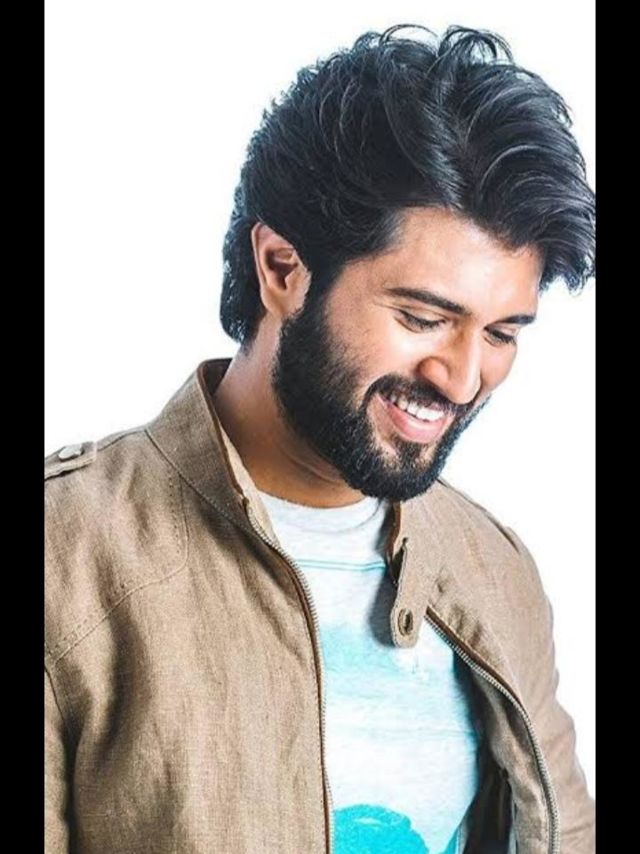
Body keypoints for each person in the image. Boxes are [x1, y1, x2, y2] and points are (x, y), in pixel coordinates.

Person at [45, 23, 595, 854]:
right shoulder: (67, 557)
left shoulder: (494, 567)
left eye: (501, 332)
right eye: (423, 317)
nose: (461, 377)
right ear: (282, 269)